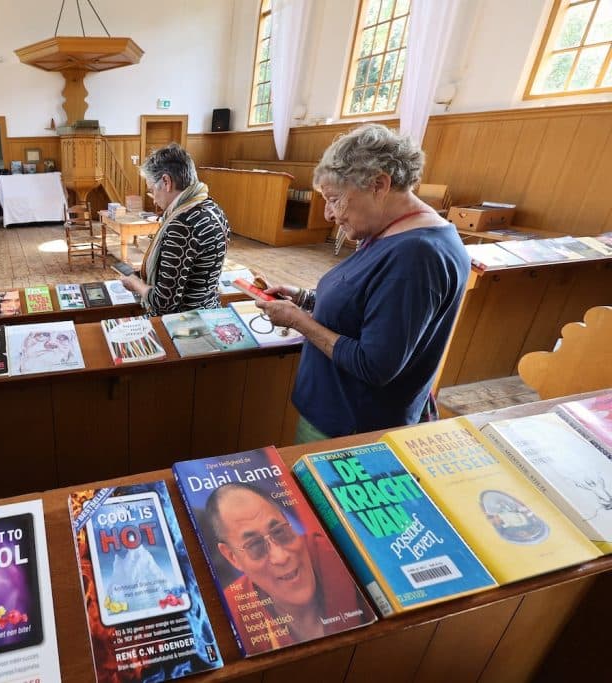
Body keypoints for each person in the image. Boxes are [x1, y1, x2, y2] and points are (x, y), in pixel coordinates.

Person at [255, 124, 470, 442]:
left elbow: (374, 365)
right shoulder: (389, 231)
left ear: (379, 185)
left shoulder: (416, 255)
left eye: (335, 199)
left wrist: (298, 321)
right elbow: (367, 306)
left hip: (352, 426)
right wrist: (306, 298)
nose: (329, 214)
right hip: (339, 413)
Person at [206, 483, 368, 648]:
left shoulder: (338, 553)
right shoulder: (231, 613)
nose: (281, 557)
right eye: (255, 545)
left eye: (279, 531)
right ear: (233, 557)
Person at [120, 143, 230, 316]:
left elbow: (164, 304)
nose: (154, 200)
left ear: (166, 181)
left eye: (151, 190)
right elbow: (194, 272)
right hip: (210, 311)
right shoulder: (213, 208)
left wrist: (135, 284)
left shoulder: (181, 224)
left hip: (184, 323)